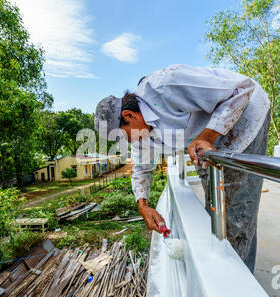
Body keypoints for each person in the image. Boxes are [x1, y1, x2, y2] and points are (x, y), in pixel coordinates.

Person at [94, 64, 270, 272]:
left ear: (129, 115)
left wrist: (207, 136)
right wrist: (143, 205)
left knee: (238, 216)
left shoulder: (167, 84)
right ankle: (220, 267)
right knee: (215, 210)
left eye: (124, 135)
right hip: (205, 146)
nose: (128, 142)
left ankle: (239, 284)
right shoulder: (140, 136)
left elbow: (242, 89)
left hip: (246, 120)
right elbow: (141, 167)